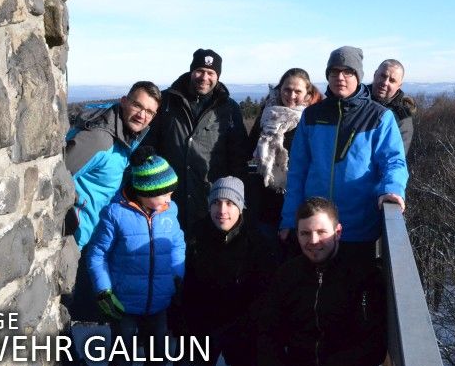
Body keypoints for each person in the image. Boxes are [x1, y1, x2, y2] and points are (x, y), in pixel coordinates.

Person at [253, 197, 388, 366]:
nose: (313, 241)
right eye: (305, 233)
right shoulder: (286, 275)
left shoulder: (363, 275)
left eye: (322, 232)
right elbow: (267, 331)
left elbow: (373, 345)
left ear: (338, 232)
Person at [280, 46, 408, 261]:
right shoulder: (312, 115)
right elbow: (297, 172)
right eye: (334, 72)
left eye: (347, 72)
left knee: (351, 291)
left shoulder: (378, 117)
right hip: (315, 228)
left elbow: (393, 161)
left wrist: (393, 189)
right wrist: (289, 220)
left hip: (358, 228)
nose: (340, 77)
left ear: (358, 75)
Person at [85, 151, 185, 366]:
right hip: (124, 305)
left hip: (159, 304)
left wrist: (177, 274)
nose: (170, 197)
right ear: (147, 192)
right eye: (165, 192)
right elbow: (97, 255)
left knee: (158, 359)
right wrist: (103, 290)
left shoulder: (170, 210)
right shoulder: (115, 214)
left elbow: (177, 243)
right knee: (121, 361)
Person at [172, 176, 276, 366]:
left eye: (230, 203)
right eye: (216, 202)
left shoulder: (256, 242)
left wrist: (245, 327)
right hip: (203, 327)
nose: (222, 210)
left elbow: (265, 295)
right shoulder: (194, 237)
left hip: (241, 329)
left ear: (241, 207)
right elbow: (181, 292)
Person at [143, 48, 248, 238]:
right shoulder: (167, 101)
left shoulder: (229, 108)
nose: (204, 77)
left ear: (217, 76)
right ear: (191, 71)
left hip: (212, 199)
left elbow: (238, 157)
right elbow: (149, 144)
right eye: (200, 71)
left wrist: (236, 200)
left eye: (211, 73)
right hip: (169, 196)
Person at [65, 81, 162, 248]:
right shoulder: (99, 140)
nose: (142, 115)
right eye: (137, 105)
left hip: (88, 234)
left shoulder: (126, 139)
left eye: (149, 112)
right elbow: (56, 175)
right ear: (124, 101)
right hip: (71, 236)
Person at [246, 68, 322, 246]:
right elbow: (249, 146)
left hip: (300, 197)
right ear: (280, 89)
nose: (291, 95)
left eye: (298, 91)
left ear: (308, 93)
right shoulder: (268, 114)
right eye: (287, 89)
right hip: (266, 196)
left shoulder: (313, 118)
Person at [369, 59, 417, 155]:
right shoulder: (355, 98)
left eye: (392, 80)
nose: (385, 83)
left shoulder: (402, 116)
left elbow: (395, 156)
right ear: (375, 75)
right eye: (383, 76)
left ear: (399, 86)